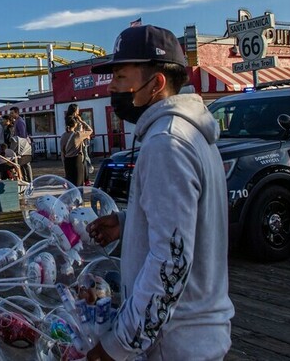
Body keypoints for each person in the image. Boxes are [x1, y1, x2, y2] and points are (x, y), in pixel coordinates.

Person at [86, 25, 234, 361]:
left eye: (121, 77)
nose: (111, 87)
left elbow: (170, 261)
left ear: (157, 84)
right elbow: (183, 224)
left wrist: (118, 345)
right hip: (197, 334)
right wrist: (129, 222)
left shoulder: (166, 142)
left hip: (175, 341)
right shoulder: (188, 133)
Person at [60, 115, 93, 186]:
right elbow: (90, 130)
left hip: (67, 161)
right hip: (76, 160)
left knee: (71, 186)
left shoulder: (63, 136)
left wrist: (64, 165)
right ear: (75, 124)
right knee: (78, 185)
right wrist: (82, 121)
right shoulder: (77, 135)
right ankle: (79, 197)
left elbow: (62, 152)